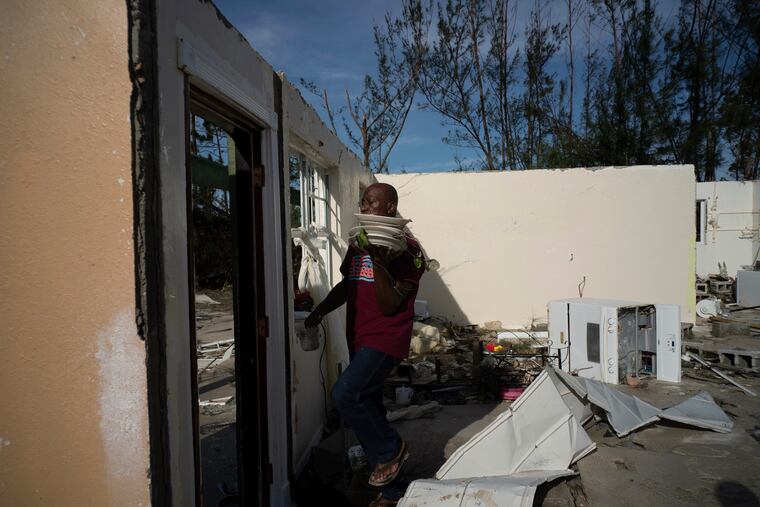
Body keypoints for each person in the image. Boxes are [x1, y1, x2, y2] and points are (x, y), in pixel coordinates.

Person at [304, 183, 425, 507]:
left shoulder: (408, 251)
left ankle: (391, 450)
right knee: (368, 408)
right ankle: (392, 490)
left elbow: (389, 305)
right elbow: (349, 284)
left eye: (371, 202)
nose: (365, 207)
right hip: (358, 335)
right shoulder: (359, 246)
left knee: (346, 393)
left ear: (389, 208)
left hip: (386, 339)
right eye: (363, 202)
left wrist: (378, 258)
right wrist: (319, 310)